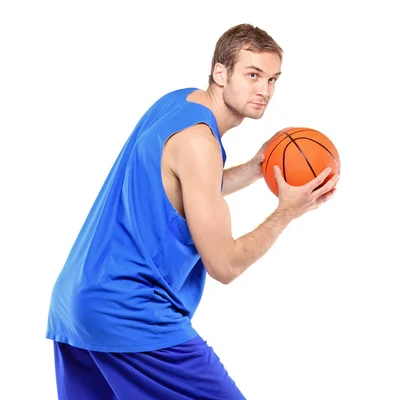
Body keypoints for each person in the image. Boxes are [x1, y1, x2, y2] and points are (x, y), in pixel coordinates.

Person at [46, 23, 338, 399]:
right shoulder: (201, 143)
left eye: (272, 79)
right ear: (220, 72)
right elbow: (225, 265)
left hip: (77, 306)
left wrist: (253, 167)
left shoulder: (179, 104)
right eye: (252, 75)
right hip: (130, 313)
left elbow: (186, 189)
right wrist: (286, 211)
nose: (264, 90)